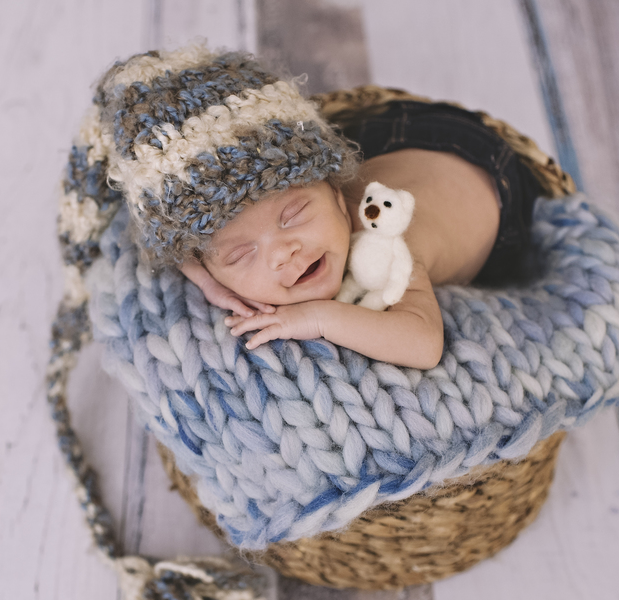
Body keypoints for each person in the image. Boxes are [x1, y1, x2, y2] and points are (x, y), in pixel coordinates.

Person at [91, 45, 545, 370]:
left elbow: (424, 344)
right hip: (392, 149)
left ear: (340, 200)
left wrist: (318, 318)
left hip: (489, 177)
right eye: (240, 254)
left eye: (294, 216)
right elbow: (180, 242)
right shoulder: (283, 213)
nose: (283, 251)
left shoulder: (384, 244)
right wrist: (208, 282)